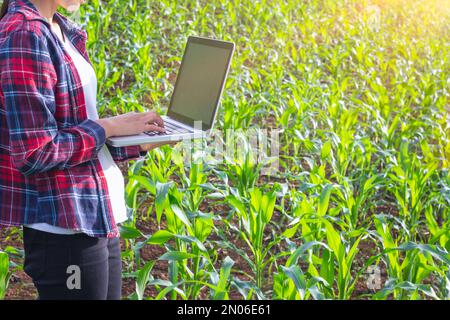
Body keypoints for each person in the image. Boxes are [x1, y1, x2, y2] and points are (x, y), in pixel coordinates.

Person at [0, 0, 176, 299]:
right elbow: (35, 152)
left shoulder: (57, 28)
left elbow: (71, 129)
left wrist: (136, 141)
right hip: (64, 230)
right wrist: (108, 126)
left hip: (92, 216)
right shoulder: (25, 35)